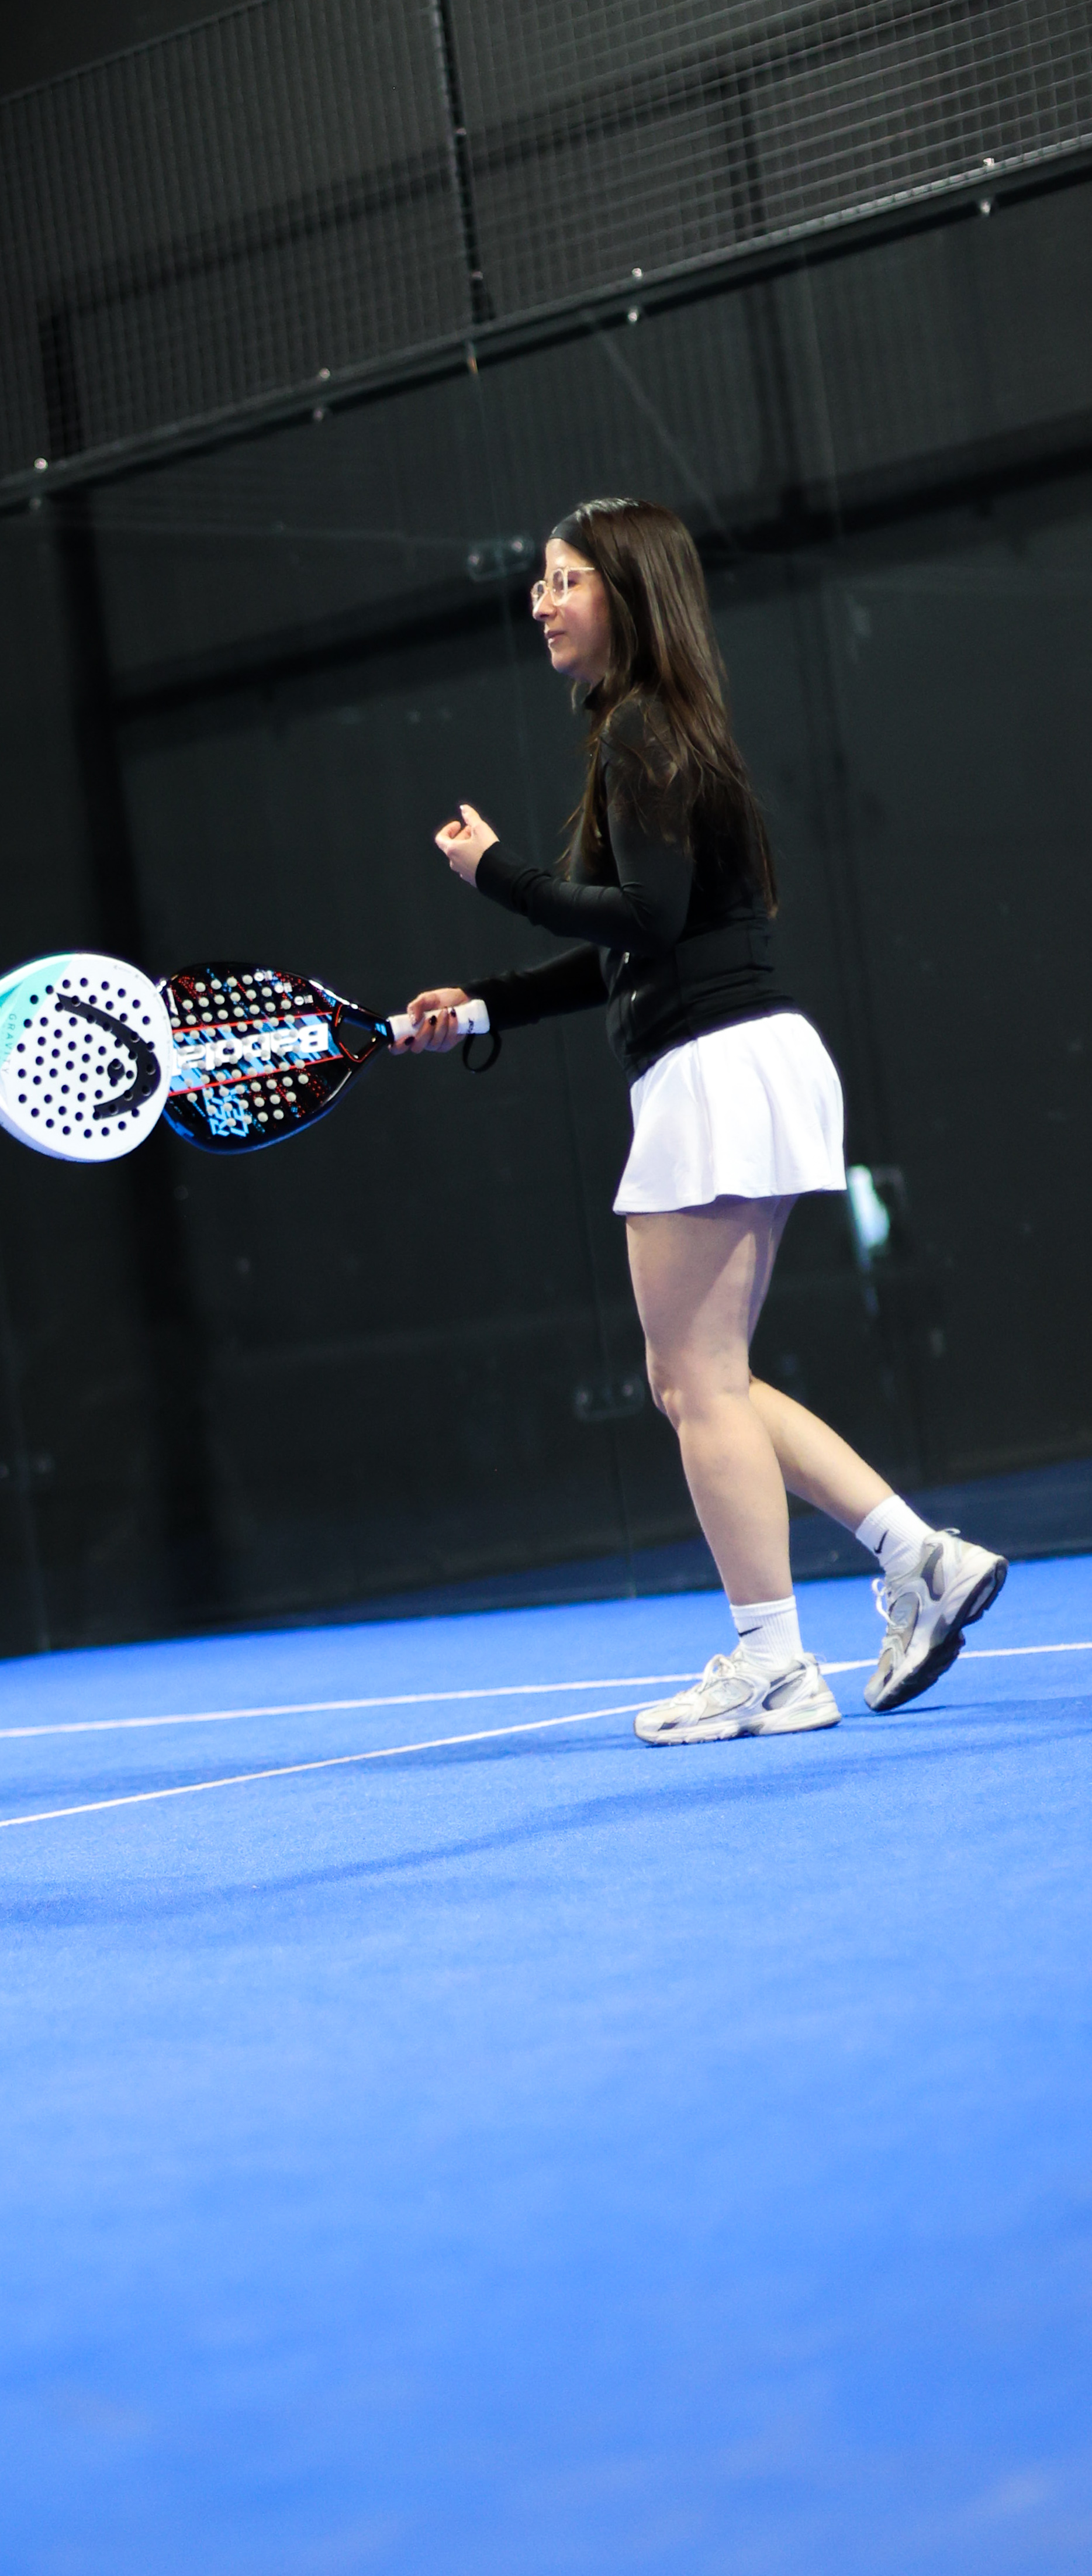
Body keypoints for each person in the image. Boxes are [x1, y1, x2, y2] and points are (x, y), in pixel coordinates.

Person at [402, 498, 1003, 1745]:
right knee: (701, 1380)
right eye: (539, 581)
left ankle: (773, 1666)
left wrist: (497, 875)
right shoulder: (657, 733)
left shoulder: (642, 730)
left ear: (622, 591)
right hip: (753, 1060)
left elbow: (643, 921)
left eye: (564, 579)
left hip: (718, 1070)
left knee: (690, 1380)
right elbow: (633, 940)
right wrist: (481, 1011)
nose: (540, 601)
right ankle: (919, 1559)